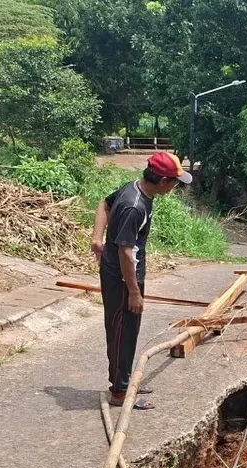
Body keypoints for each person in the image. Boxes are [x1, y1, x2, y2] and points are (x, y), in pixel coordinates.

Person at [90, 152, 191, 410]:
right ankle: (120, 392)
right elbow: (125, 251)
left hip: (126, 274)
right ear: (163, 181)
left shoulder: (134, 189)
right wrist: (134, 292)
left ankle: (123, 380)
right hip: (122, 279)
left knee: (129, 331)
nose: (175, 187)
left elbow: (104, 204)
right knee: (121, 332)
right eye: (175, 182)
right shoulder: (135, 206)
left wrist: (97, 239)